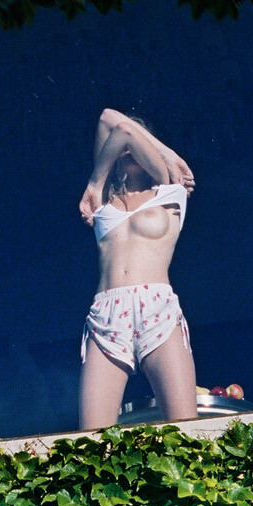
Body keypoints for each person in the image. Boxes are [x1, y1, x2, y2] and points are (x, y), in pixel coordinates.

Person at [77, 109, 198, 430]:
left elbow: (125, 131)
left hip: (157, 308)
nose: (129, 148)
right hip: (107, 315)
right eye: (123, 149)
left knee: (185, 430)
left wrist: (166, 153)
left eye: (140, 144)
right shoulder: (102, 201)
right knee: (91, 438)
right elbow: (107, 119)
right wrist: (96, 183)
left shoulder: (169, 187)